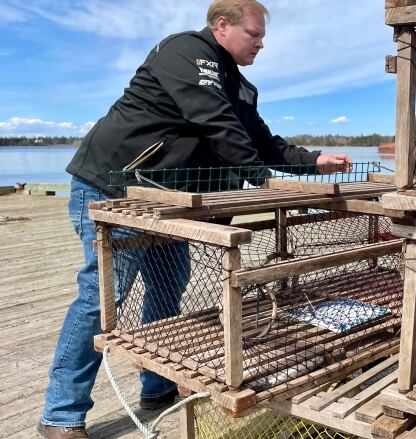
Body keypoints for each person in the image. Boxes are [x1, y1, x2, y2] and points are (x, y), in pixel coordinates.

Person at [40, 1, 351, 437]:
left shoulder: (240, 86)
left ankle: (157, 386)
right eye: (254, 35)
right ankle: (61, 415)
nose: (262, 44)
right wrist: (262, 182)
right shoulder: (187, 52)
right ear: (221, 26)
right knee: (103, 297)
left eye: (263, 38)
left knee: (168, 288)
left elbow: (259, 140)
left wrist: (314, 161)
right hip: (113, 189)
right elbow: (214, 121)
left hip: (167, 200)